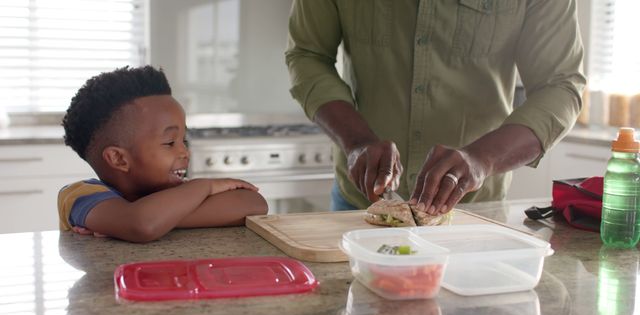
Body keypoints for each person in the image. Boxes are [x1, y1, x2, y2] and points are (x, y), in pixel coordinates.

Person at [285, 0, 586, 215]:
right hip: (360, 206)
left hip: (475, 213)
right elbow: (307, 55)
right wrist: (357, 142)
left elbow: (560, 86)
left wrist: (481, 159)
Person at [58, 66, 268, 243]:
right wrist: (205, 186)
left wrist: (159, 220)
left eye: (183, 140)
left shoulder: (167, 190)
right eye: (170, 143)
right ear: (119, 159)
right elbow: (142, 224)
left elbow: (253, 203)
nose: (184, 151)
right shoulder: (79, 195)